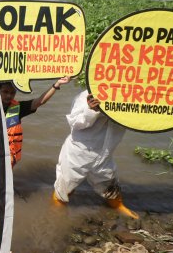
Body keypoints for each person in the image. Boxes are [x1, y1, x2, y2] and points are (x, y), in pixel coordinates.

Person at [52, 91, 139, 219]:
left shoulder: (131, 95)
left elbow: (139, 119)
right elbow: (75, 122)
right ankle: (56, 215)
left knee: (109, 182)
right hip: (79, 152)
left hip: (105, 153)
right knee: (65, 185)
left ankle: (117, 206)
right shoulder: (85, 95)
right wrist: (91, 110)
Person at [0, 76, 71, 167]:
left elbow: (39, 101)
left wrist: (57, 84)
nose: (9, 95)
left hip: (8, 158)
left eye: (12, 93)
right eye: (5, 92)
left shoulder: (19, 108)